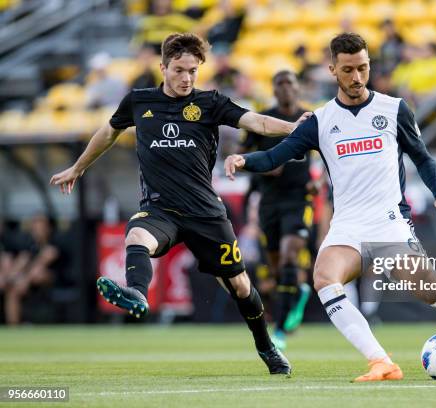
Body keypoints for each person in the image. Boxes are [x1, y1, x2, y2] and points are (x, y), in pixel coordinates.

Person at [225, 32, 436, 382]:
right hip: (348, 225)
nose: (357, 77)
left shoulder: (393, 108)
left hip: (389, 223)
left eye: (363, 68)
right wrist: (243, 160)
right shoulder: (321, 121)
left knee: (434, 291)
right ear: (333, 70)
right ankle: (381, 362)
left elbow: (423, 158)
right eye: (349, 70)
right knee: (324, 278)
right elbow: (276, 155)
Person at [50, 33, 308, 375]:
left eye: (193, 71)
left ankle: (267, 347)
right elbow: (109, 132)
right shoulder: (139, 101)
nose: (186, 78)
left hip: (205, 212)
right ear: (163, 67)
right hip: (160, 209)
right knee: (136, 236)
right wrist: (77, 167)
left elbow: (256, 121)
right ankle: (138, 294)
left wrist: (294, 127)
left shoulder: (210, 103)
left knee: (241, 286)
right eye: (179, 70)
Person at [240, 70, 314, 350]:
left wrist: (318, 183)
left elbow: (328, 155)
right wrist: (258, 165)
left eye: (289, 84)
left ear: (298, 88)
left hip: (298, 199)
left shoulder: (310, 119)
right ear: (273, 89)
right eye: (280, 84)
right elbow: (242, 152)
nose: (285, 89)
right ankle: (296, 296)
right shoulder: (263, 121)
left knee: (288, 257)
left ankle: (280, 330)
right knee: (274, 270)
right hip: (269, 201)